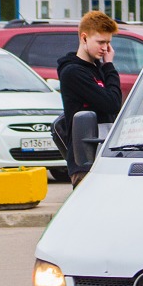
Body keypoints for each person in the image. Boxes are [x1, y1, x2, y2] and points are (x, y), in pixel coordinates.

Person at [56, 11, 122, 187]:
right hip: (84, 160)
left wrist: (105, 67)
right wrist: (109, 66)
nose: (105, 48)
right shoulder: (73, 72)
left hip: (104, 154)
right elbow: (112, 103)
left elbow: (114, 101)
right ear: (84, 38)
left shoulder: (97, 68)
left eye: (108, 43)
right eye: (100, 42)